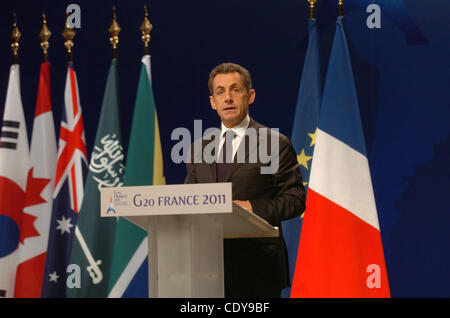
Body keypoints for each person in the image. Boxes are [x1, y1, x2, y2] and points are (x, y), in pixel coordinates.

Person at [185, 62, 306, 297]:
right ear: (213, 102)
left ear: (250, 96)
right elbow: (189, 201)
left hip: (258, 269)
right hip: (207, 269)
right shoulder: (197, 149)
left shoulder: (273, 144)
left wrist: (252, 208)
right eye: (220, 92)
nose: (228, 98)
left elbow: (295, 200)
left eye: (235, 90)